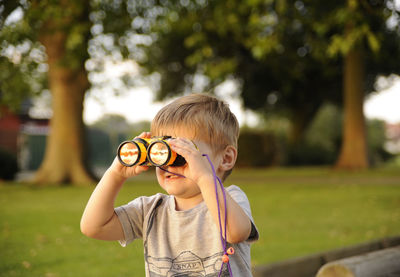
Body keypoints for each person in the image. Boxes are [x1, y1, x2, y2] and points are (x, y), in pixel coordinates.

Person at [80, 93, 259, 276]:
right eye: (161, 150)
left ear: (226, 158)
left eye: (182, 153)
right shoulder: (150, 210)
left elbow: (235, 233)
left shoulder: (232, 198)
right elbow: (94, 227)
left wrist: (205, 177)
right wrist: (115, 174)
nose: (169, 163)